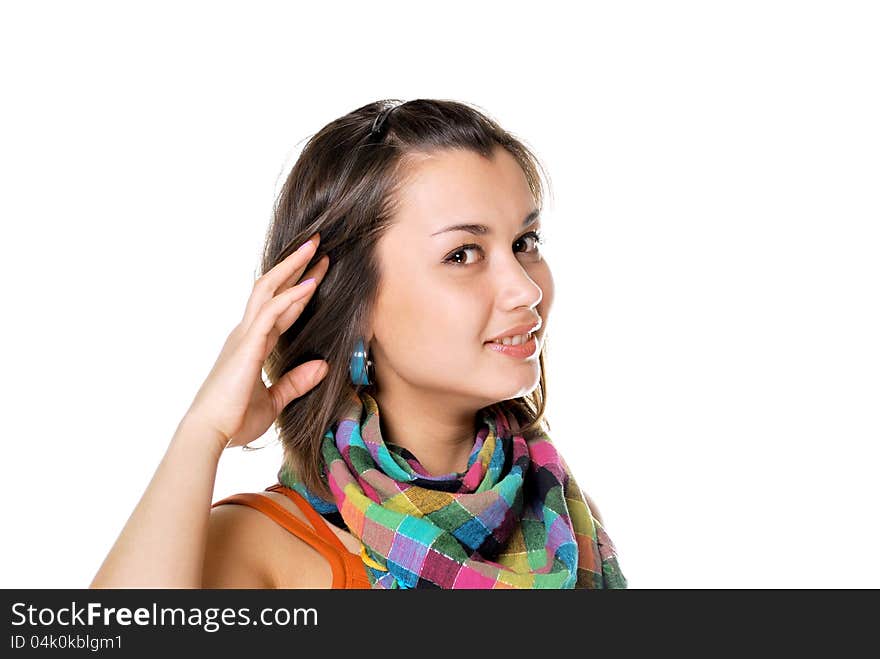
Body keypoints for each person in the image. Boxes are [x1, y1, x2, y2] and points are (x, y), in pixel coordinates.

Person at [90, 98, 627, 589]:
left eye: (524, 243)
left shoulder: (560, 519)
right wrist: (202, 431)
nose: (526, 289)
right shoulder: (263, 549)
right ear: (356, 301)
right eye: (463, 254)